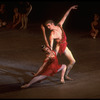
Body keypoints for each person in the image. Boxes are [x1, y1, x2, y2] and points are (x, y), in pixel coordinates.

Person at [42, 5, 78, 80]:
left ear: (52, 24)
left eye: (49, 26)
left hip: (64, 45)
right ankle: (40, 75)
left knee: (73, 61)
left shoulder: (59, 25)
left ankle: (65, 75)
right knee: (50, 61)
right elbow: (51, 46)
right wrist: (50, 52)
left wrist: (70, 8)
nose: (48, 28)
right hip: (58, 47)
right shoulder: (52, 35)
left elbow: (65, 16)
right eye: (47, 27)